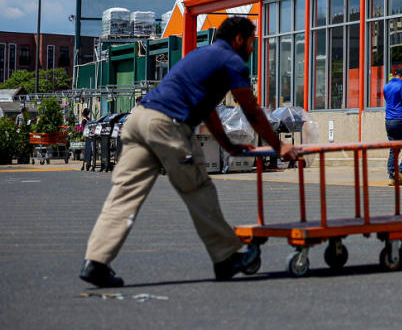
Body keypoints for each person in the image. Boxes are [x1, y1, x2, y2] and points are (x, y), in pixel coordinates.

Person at [79, 16, 299, 288]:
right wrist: (280, 146)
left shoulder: (202, 56)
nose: (253, 49)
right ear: (238, 39)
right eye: (252, 42)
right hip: (167, 125)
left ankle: (96, 262)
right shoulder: (232, 62)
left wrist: (228, 145)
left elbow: (208, 110)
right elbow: (251, 110)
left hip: (137, 121)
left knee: (123, 195)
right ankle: (226, 257)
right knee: (198, 188)